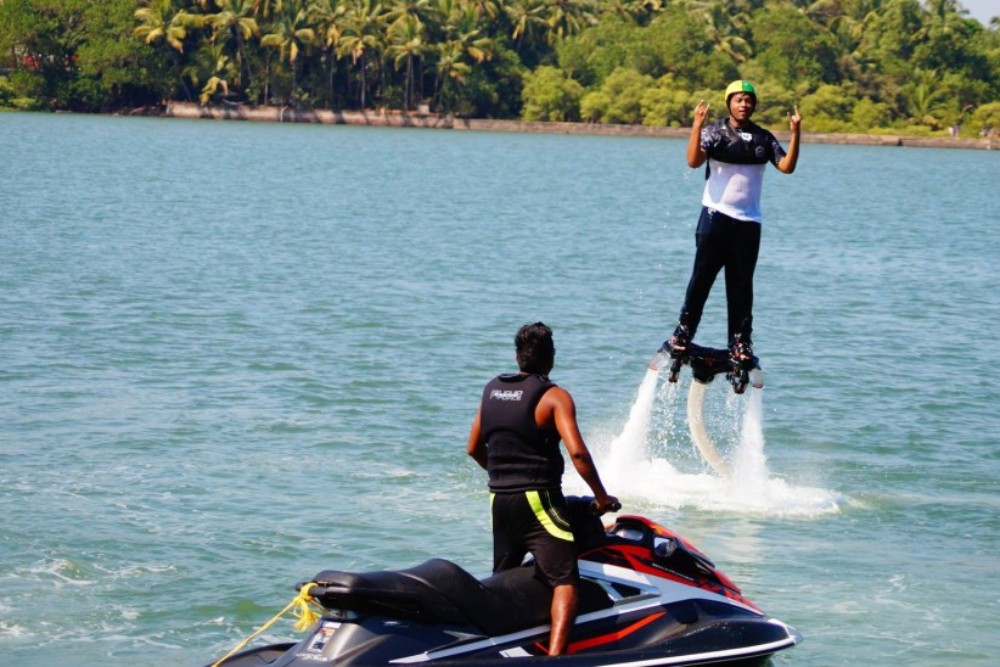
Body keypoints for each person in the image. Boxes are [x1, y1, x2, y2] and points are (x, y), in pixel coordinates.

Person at [466, 322, 619, 656]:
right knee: (565, 580)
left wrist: (503, 475)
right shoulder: (554, 396)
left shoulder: (492, 391)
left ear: (519, 356)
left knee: (503, 581)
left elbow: (473, 447)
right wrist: (602, 497)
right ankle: (555, 659)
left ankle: (498, 650)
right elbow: (578, 452)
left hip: (500, 499)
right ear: (549, 357)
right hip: (539, 502)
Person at [661, 80, 801, 371]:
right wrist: (697, 125)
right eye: (739, 99)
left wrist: (796, 132)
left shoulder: (763, 138)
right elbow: (692, 161)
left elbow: (786, 166)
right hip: (715, 218)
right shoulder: (714, 133)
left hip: (748, 223)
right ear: (729, 103)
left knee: (741, 287)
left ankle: (740, 342)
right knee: (701, 279)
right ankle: (683, 333)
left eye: (749, 100)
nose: (744, 104)